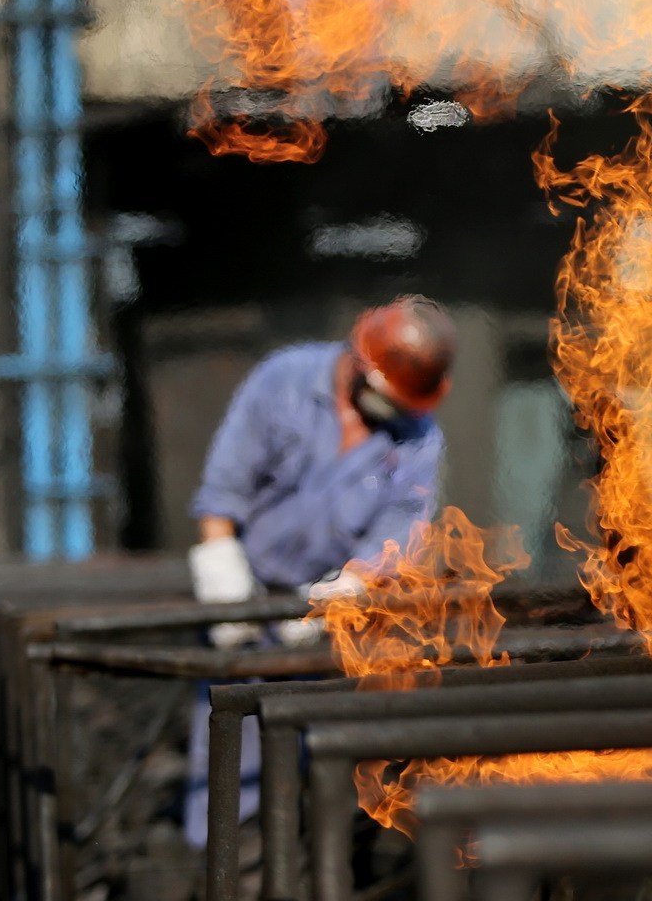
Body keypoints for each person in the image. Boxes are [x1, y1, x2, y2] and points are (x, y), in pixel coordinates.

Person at [182, 294, 456, 846]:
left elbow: (398, 535)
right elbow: (223, 490)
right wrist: (225, 582)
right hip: (250, 591)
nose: (397, 413)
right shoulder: (282, 382)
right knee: (232, 755)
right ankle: (220, 857)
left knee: (327, 767)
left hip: (332, 612)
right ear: (360, 365)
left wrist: (349, 587)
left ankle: (318, 859)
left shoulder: (418, 436)